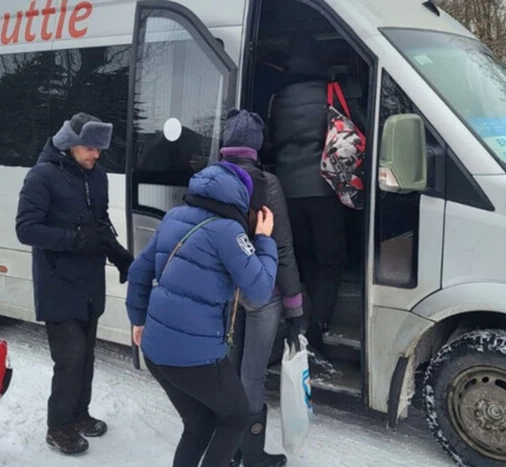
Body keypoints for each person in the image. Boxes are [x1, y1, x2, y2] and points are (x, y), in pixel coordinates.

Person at [126, 161, 278, 467]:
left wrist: (138, 320)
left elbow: (138, 271)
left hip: (156, 352)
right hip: (196, 358)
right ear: (239, 198)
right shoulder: (228, 231)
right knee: (236, 417)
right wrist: (264, 239)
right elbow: (260, 291)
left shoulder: (173, 217)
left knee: (199, 425)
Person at [15, 112, 134, 455]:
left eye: (100, 148)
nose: (96, 154)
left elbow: (100, 225)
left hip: (89, 282)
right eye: (90, 147)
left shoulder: (96, 176)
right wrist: (73, 239)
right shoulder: (42, 176)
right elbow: (26, 229)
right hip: (57, 281)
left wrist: (121, 256)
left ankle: (79, 414)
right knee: (70, 356)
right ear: (70, 143)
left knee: (86, 355)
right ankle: (58, 426)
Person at [219, 109, 303, 467]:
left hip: (227, 293)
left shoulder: (210, 179)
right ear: (256, 147)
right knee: (252, 373)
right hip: (263, 293)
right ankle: (251, 452)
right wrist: (295, 307)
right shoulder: (268, 184)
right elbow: (281, 247)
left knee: (228, 368)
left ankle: (228, 446)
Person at [268, 34, 347, 350]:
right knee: (332, 258)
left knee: (303, 257)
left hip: (287, 192)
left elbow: (270, 144)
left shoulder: (277, 98)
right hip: (325, 190)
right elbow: (351, 131)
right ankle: (318, 327)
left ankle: (301, 316)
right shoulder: (331, 92)